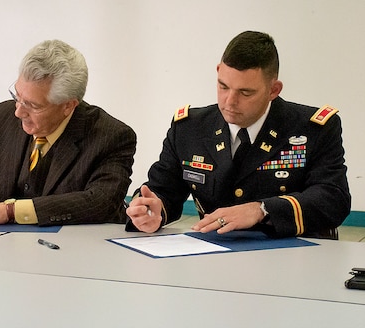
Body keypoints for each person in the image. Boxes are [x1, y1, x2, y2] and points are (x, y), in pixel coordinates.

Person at [126, 31, 350, 238]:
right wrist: (148, 210)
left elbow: (332, 199)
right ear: (217, 72)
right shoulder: (189, 127)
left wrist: (262, 209)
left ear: (274, 90)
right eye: (223, 86)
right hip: (214, 256)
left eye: (245, 92)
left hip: (292, 252)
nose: (229, 102)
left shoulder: (312, 128)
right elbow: (163, 190)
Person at [0, 39, 136, 227]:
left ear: (68, 106)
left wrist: (11, 211)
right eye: (17, 96)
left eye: (33, 105)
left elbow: (100, 202)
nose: (18, 111)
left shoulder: (111, 136)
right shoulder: (2, 116)